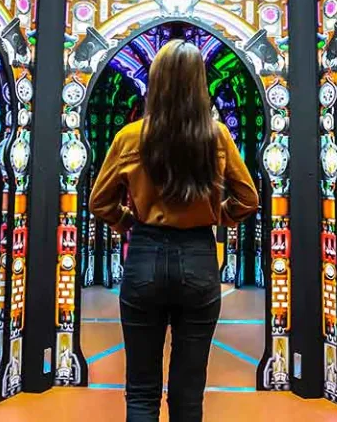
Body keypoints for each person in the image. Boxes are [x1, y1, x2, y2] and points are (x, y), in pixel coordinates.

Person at [89, 40, 259, 422]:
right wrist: (217, 215)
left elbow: (99, 202)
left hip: (145, 257)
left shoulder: (129, 137)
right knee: (188, 394)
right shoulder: (216, 137)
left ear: (156, 83)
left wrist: (127, 222)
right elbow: (248, 199)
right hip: (199, 259)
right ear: (199, 85)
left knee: (141, 391)